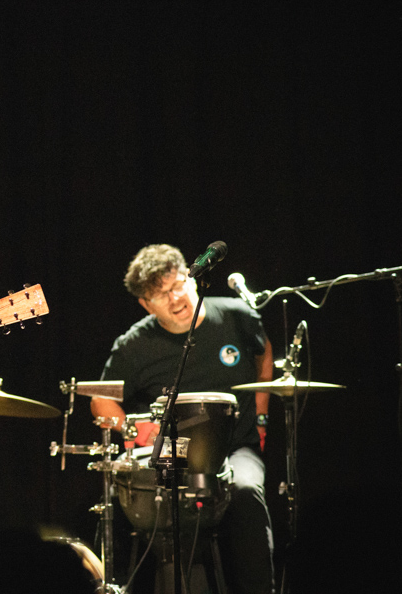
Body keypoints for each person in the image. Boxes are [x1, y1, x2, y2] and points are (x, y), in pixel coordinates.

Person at [91, 244, 274, 594]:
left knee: (247, 492)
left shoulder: (236, 314)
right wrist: (133, 431)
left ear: (191, 277)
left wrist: (262, 413)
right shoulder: (134, 345)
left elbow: (263, 351)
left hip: (235, 445)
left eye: (178, 285)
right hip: (170, 452)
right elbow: (101, 401)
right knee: (123, 494)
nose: (175, 298)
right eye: (161, 295)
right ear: (146, 304)